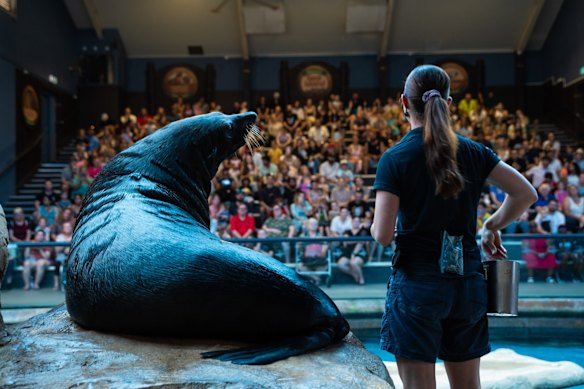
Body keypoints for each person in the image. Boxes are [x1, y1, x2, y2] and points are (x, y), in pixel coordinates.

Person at [370, 65, 536, 389]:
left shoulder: (395, 158)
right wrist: (491, 223)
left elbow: (383, 234)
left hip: (417, 286)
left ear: (404, 102)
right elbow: (525, 193)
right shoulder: (474, 151)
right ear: (448, 103)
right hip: (467, 284)